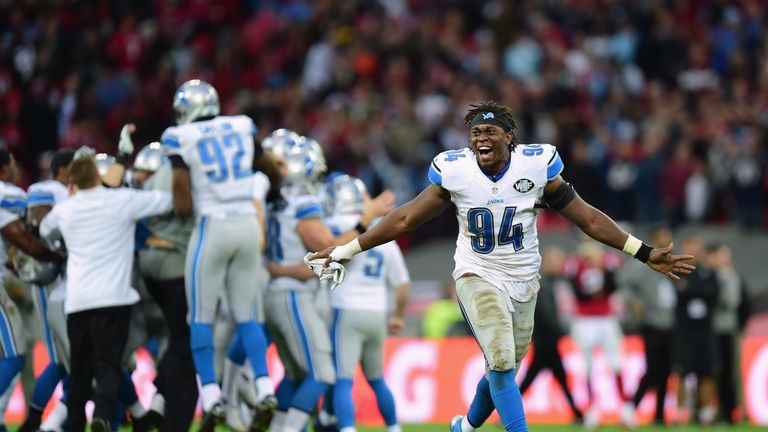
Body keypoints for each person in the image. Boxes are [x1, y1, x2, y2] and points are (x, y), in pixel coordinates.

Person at [310, 101, 694, 432]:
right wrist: (347, 249)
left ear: (510, 137)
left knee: (502, 367)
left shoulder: (535, 167)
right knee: (500, 358)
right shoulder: (456, 170)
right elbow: (407, 218)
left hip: (524, 280)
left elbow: (588, 219)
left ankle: (466, 426)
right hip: (476, 274)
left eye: (490, 131)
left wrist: (643, 252)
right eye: (476, 132)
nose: (481, 139)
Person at [161, 79, 282, 432]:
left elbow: (182, 198)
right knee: (247, 314)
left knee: (199, 316)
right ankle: (262, 387)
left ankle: (212, 396)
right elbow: (270, 170)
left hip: (212, 227)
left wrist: (185, 207)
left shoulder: (179, 136)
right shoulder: (241, 125)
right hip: (246, 224)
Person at [262, 134, 393, 432]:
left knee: (296, 376)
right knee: (322, 375)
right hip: (295, 295)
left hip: (283, 293)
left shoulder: (277, 200)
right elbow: (328, 253)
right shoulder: (302, 202)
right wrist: (365, 220)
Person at [39, 155, 173, 432]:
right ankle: (101, 414)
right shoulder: (122, 200)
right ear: (99, 177)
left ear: (73, 182)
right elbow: (165, 200)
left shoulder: (67, 209)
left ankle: (75, 422)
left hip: (78, 300)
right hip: (114, 298)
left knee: (80, 367)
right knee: (109, 363)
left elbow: (44, 229)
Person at [318, 174, 411, 432]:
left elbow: (327, 252)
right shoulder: (381, 229)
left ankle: (347, 428)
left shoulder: (335, 224)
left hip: (345, 309)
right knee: (377, 379)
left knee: (343, 380)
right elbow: (402, 284)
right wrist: (398, 316)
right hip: (377, 312)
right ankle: (394, 428)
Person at [129, 142, 199, 431]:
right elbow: (185, 208)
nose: (143, 178)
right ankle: (163, 403)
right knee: (185, 344)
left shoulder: (136, 191)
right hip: (173, 266)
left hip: (144, 271)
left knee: (175, 341)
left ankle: (156, 399)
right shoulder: (176, 178)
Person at [0, 149, 62, 431]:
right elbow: (25, 241)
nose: (16, 167)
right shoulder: (8, 194)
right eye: (12, 163)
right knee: (13, 357)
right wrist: (61, 255)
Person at [18, 149, 75, 432]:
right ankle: (36, 420)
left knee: (69, 357)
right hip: (50, 279)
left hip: (64, 279)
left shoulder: (61, 190)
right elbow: (36, 226)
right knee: (60, 356)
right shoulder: (47, 189)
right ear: (63, 169)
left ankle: (61, 415)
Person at [564, 240, 631, 428]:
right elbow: (577, 292)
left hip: (606, 318)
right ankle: (592, 411)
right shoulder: (575, 264)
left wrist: (602, 269)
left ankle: (626, 409)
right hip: (584, 319)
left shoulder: (608, 262)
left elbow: (614, 286)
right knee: (587, 366)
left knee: (616, 363)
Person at [517, 247, 582, 423]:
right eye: (554, 261)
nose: (558, 265)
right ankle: (578, 415)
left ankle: (578, 415)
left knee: (538, 379)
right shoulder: (543, 284)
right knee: (552, 378)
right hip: (545, 340)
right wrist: (564, 331)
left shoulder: (560, 283)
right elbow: (546, 315)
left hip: (550, 341)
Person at [620, 226, 677, 426]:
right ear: (653, 239)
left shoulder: (672, 262)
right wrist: (634, 301)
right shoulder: (642, 264)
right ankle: (630, 408)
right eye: (662, 237)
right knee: (653, 369)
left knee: (666, 370)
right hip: (651, 323)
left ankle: (659, 415)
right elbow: (623, 283)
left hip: (671, 324)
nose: (666, 241)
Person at [674, 236, 719, 426]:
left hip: (705, 331)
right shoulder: (677, 271)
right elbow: (678, 292)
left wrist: (691, 289)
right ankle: (680, 412)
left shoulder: (709, 273)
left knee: (707, 372)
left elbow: (714, 293)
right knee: (682, 372)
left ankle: (705, 412)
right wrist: (700, 290)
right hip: (684, 331)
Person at [709, 244, 748, 424]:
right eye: (721, 255)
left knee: (731, 373)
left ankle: (733, 411)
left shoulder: (732, 277)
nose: (724, 259)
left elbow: (732, 302)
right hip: (711, 331)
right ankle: (716, 411)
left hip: (729, 330)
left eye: (726, 255)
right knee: (713, 373)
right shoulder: (709, 276)